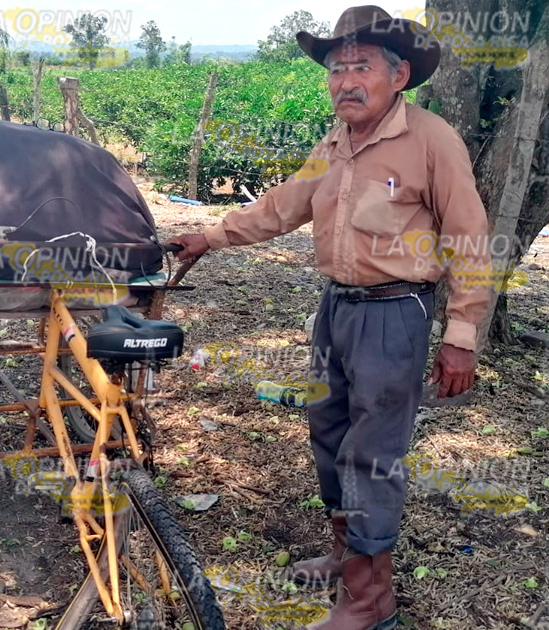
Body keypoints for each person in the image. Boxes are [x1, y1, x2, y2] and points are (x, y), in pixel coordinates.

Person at [168, 6, 493, 630]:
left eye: (361, 67)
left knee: (373, 450)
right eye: (337, 68)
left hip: (396, 313)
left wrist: (461, 333)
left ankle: (371, 599)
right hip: (336, 308)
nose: (346, 80)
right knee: (329, 434)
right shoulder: (333, 145)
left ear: (398, 76)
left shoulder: (430, 139)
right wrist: (208, 236)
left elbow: (469, 235)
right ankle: (345, 555)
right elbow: (280, 208)